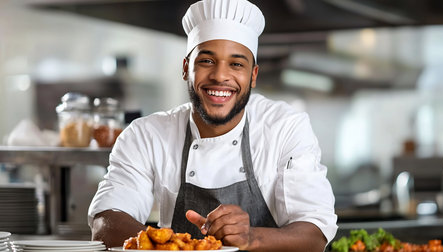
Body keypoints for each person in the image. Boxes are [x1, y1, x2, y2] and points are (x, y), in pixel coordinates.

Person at [88, 0, 338, 251]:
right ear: (186, 68)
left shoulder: (284, 127)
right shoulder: (146, 135)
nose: (220, 75)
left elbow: (314, 234)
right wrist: (178, 245)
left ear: (253, 76)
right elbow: (104, 222)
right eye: (206, 61)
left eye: (236, 64)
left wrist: (251, 237)